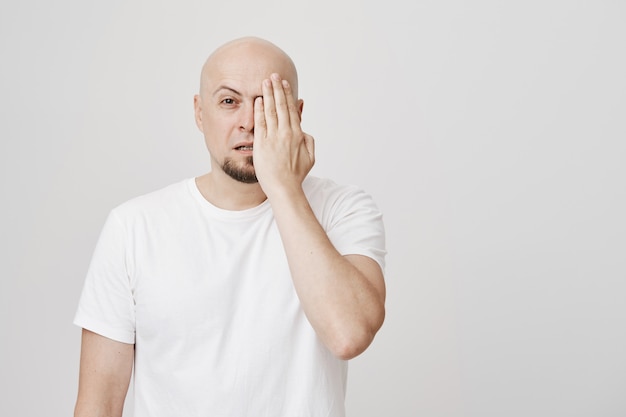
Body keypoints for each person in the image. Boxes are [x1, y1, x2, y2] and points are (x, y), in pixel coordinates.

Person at [73, 36, 386, 417]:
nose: (250, 122)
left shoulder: (343, 209)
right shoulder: (133, 227)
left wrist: (284, 188)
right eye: (228, 101)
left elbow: (348, 334)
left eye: (269, 103)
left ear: (297, 114)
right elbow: (98, 405)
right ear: (199, 113)